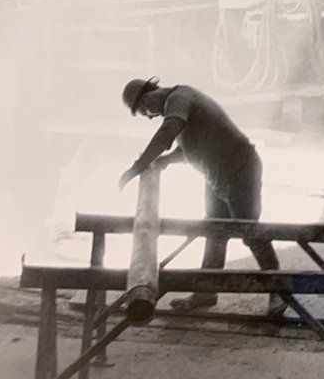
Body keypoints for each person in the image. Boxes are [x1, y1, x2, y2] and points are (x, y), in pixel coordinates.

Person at [118, 77, 288, 320]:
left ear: (146, 98)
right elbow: (188, 148)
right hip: (217, 175)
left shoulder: (180, 98)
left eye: (145, 112)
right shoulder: (178, 105)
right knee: (214, 232)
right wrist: (165, 161)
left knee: (250, 233)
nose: (150, 116)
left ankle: (279, 291)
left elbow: (167, 133)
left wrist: (137, 167)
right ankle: (206, 292)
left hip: (241, 170)